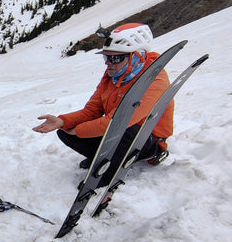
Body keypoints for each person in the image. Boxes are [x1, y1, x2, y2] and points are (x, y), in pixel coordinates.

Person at [33, 23, 172, 185]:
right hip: (120, 133)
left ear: (137, 56)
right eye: (106, 57)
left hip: (148, 141)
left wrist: (77, 131)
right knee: (64, 130)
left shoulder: (155, 79)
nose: (108, 63)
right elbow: (91, 111)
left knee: (124, 127)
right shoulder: (113, 76)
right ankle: (103, 158)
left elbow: (119, 122)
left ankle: (109, 174)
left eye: (116, 57)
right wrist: (63, 122)